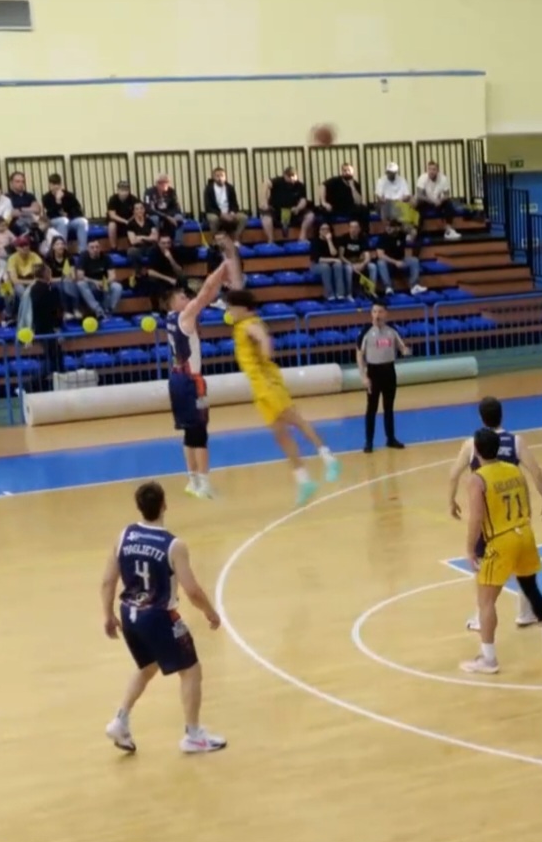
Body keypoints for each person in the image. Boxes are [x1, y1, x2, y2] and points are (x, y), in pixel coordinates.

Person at [99, 481, 226, 754]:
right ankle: (193, 735)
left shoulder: (124, 536)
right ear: (164, 505)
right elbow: (192, 590)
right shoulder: (173, 545)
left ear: (139, 507)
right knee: (191, 670)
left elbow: (108, 581)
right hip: (157, 616)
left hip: (129, 614)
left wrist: (108, 615)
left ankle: (120, 720)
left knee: (148, 666)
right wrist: (210, 612)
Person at [225, 288, 341, 505]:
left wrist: (265, 349)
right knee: (281, 435)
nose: (229, 311)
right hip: (259, 389)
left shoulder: (250, 324)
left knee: (296, 420)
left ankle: (329, 458)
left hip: (268, 384)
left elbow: (262, 337)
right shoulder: (241, 325)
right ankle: (304, 480)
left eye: (232, 307)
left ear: (242, 308)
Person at [461, 427, 542, 674]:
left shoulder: (477, 479)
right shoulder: (514, 469)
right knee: (530, 587)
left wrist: (470, 548)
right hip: (524, 533)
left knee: (486, 602)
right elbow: (526, 502)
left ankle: (488, 659)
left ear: (476, 450)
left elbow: (476, 518)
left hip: (501, 540)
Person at [451, 396, 542, 632]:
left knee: (481, 563)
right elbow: (536, 473)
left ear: (481, 417)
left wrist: (451, 501)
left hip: (488, 516)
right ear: (502, 415)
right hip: (513, 515)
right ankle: (525, 613)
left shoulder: (472, 444)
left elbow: (453, 474)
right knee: (522, 565)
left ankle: (481, 615)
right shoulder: (516, 442)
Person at [166, 243, 235, 499]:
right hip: (191, 381)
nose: (187, 300)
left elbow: (205, 296)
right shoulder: (183, 317)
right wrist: (223, 266)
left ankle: (192, 480)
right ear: (174, 302)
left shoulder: (169, 319)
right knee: (201, 431)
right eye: (183, 297)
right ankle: (204, 483)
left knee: (188, 431)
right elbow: (206, 293)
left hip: (176, 378)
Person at [356, 303, 410, 452]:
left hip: (389, 371)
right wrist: (363, 376)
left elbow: (402, 347)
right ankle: (369, 442)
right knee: (371, 408)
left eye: (380, 312)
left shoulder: (392, 330)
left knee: (389, 407)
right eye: (374, 312)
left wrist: (406, 351)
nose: (377, 315)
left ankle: (390, 438)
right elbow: (359, 354)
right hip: (374, 372)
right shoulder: (366, 332)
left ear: (386, 313)